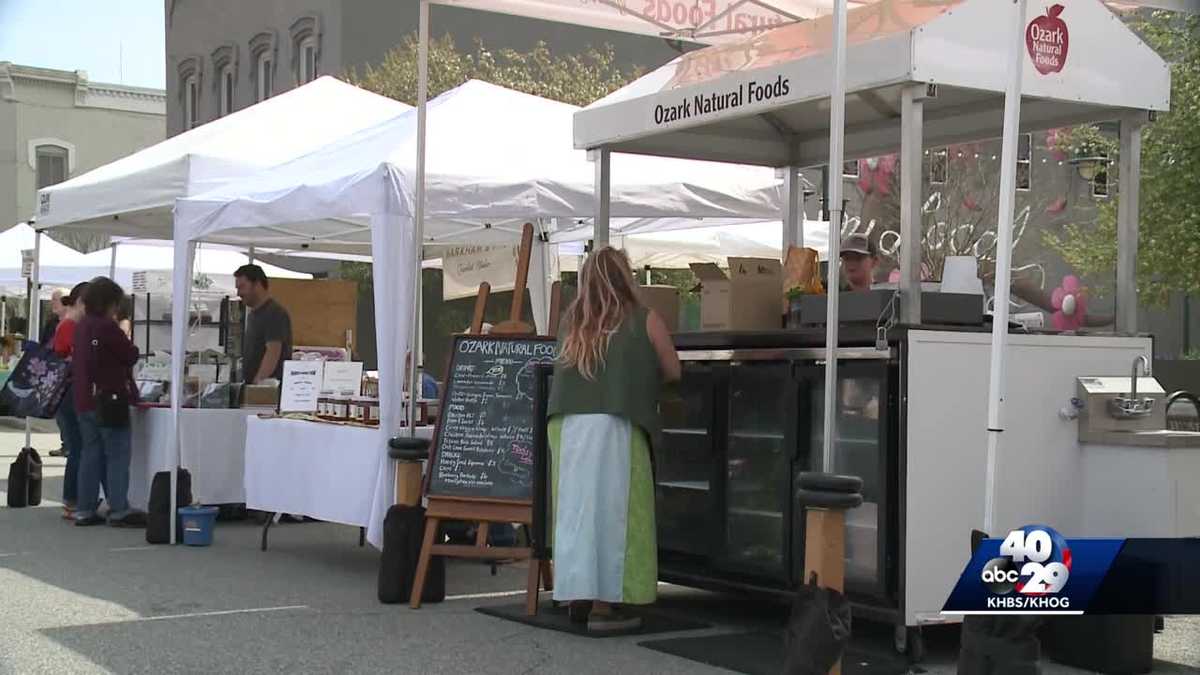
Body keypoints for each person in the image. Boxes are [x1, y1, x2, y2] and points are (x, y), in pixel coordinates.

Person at [547, 247, 681, 633]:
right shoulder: (643, 318)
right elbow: (673, 369)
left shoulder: (572, 321)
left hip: (567, 426)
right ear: (626, 276)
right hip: (615, 423)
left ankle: (576, 595)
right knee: (614, 514)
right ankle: (604, 606)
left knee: (576, 513)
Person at [72, 277, 143, 527]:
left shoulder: (81, 326)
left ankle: (84, 509)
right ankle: (119, 508)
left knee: (90, 454)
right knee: (117, 455)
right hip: (109, 398)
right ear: (109, 302)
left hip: (84, 398)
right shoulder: (107, 327)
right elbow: (130, 355)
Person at [53, 282, 96, 518]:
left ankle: (73, 500)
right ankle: (73, 500)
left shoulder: (67, 324)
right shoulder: (70, 325)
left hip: (66, 390)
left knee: (77, 447)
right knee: (78, 448)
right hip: (70, 390)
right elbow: (76, 356)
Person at [234, 264, 292, 384]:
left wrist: (256, 386)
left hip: (268, 390)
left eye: (242, 287)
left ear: (257, 285)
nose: (239, 293)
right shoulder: (253, 315)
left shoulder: (274, 313)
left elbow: (273, 353)